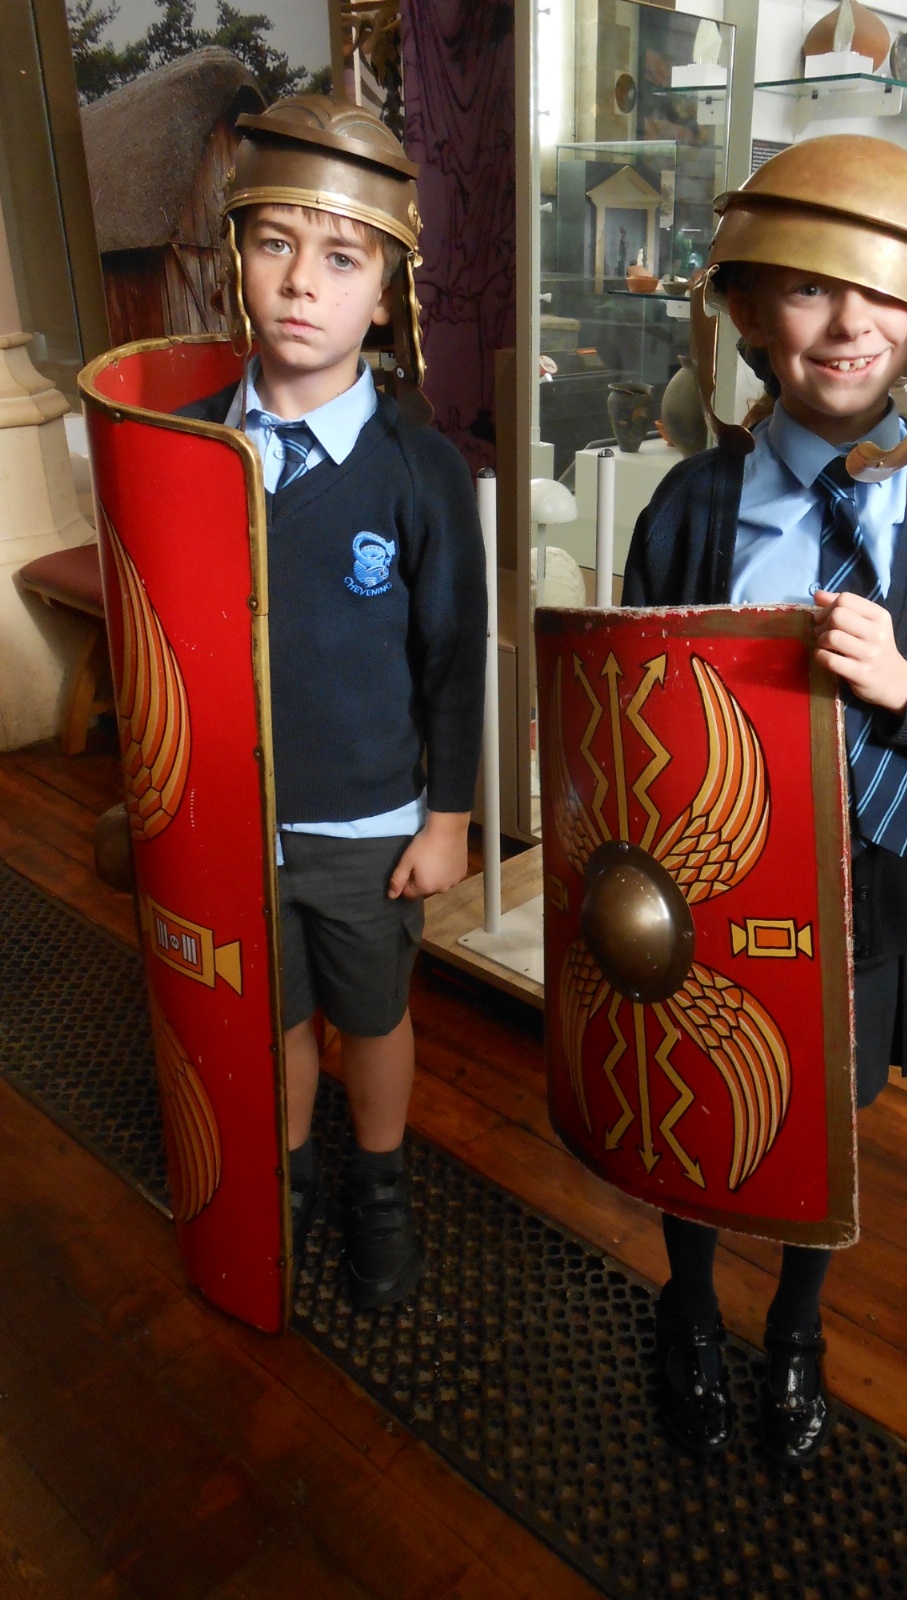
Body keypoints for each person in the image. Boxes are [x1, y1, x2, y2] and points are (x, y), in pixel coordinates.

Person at [622, 134, 907, 1463]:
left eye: (881, 291)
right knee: (700, 1097)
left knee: (828, 1124)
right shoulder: (690, 506)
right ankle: (689, 1306)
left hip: (870, 900)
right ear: (751, 310)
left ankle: (797, 1325)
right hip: (708, 889)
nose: (850, 321)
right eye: (811, 286)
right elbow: (633, 701)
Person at [180, 96, 487, 1310]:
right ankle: (293, 1171)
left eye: (343, 258)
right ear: (237, 258)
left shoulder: (420, 474)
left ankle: (379, 1180)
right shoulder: (184, 451)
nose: (303, 283)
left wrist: (448, 818)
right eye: (275, 244)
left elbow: (452, 657)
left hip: (366, 824)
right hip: (234, 819)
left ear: (387, 292)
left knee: (372, 1013)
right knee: (278, 1018)